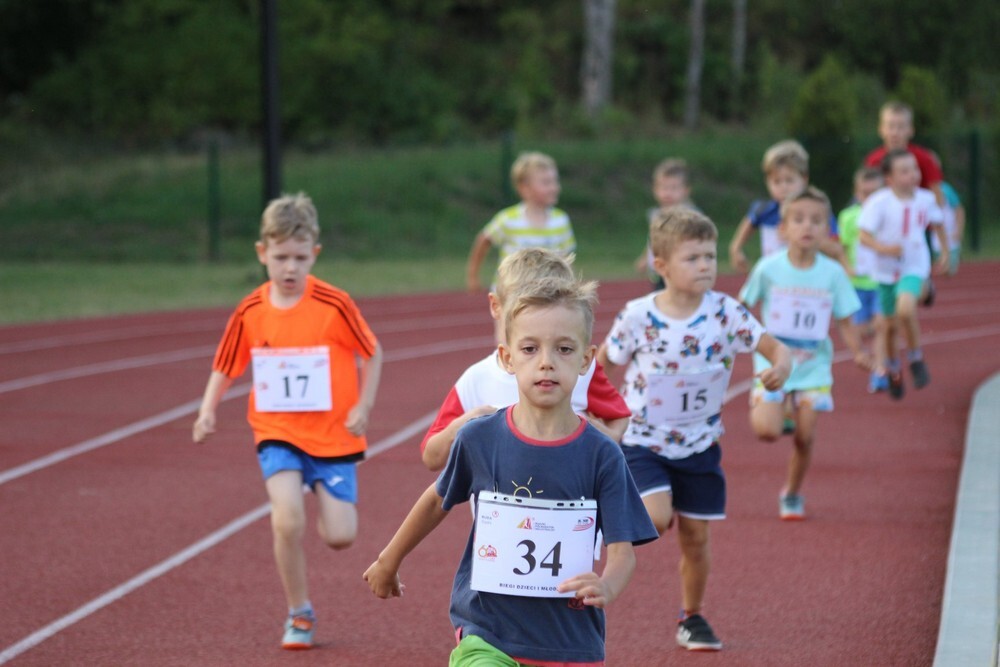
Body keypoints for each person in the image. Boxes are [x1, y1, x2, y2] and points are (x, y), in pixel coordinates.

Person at [365, 276, 658, 666]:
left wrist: (607, 584)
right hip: (487, 632)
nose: (546, 362)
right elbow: (438, 499)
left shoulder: (602, 455)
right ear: (507, 358)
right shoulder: (479, 438)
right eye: (530, 348)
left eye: (564, 349)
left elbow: (623, 552)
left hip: (569, 641)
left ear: (587, 360)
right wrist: (389, 559)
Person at [192, 193, 383, 650]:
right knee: (286, 521)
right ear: (263, 254)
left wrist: (364, 406)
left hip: (334, 436)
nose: (290, 268)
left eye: (300, 258)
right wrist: (206, 409)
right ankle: (299, 613)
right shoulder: (251, 311)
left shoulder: (333, 305)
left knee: (340, 536)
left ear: (314, 254)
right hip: (276, 432)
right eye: (280, 258)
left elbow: (373, 353)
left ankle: (319, 495)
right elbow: (225, 364)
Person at [598, 207, 792, 652]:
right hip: (644, 440)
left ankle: (692, 616)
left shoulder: (727, 313)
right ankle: (603, 521)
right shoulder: (638, 316)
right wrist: (594, 412)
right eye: (693, 258)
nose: (706, 265)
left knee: (697, 538)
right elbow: (602, 365)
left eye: (711, 255)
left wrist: (780, 364)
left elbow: (774, 346)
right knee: (659, 517)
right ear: (660, 266)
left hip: (701, 446)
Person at [423, 248, 630, 471]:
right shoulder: (477, 379)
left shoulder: (580, 371)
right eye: (524, 308)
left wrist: (608, 437)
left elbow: (619, 416)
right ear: (496, 306)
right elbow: (432, 458)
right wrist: (464, 424)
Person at [739, 187, 872, 521]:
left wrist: (858, 352)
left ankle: (793, 492)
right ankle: (778, 410)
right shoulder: (768, 268)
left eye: (816, 220)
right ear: (783, 229)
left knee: (805, 437)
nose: (807, 226)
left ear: (827, 230)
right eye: (798, 220)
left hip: (813, 369)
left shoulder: (833, 273)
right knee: (767, 432)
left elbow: (845, 320)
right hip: (772, 366)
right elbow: (741, 308)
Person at [859, 149, 949, 399]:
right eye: (905, 171)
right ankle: (894, 369)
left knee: (906, 310)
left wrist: (945, 252)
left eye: (915, 169)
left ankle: (915, 357)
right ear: (889, 178)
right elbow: (864, 235)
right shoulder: (879, 202)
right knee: (887, 328)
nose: (914, 175)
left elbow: (939, 223)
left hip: (914, 265)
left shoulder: (925, 199)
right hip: (886, 271)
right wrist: (884, 248)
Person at [728, 139, 846, 273]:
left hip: (809, 277)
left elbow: (837, 249)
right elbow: (745, 229)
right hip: (774, 277)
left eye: (789, 180)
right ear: (767, 182)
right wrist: (736, 249)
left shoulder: (817, 212)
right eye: (777, 182)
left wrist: (804, 237)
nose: (783, 187)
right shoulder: (763, 210)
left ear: (804, 179)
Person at [466, 151, 576, 293]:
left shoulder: (561, 221)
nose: (554, 188)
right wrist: (473, 275)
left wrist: (569, 286)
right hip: (510, 294)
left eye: (555, 181)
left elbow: (566, 260)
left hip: (546, 296)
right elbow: (484, 240)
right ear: (524, 188)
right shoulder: (508, 219)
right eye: (546, 182)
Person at [838, 167, 889, 393]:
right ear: (857, 194)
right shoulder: (848, 217)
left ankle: (880, 373)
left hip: (880, 282)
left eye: (875, 193)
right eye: (865, 193)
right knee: (859, 330)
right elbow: (843, 247)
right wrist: (847, 267)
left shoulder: (888, 215)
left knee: (881, 327)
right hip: (856, 284)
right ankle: (868, 354)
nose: (869, 198)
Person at [634, 158, 699, 290]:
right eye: (664, 188)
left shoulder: (690, 217)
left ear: (685, 190)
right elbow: (654, 240)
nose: (668, 193)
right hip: (660, 273)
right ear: (655, 189)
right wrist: (645, 258)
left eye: (674, 188)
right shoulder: (656, 215)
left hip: (682, 274)